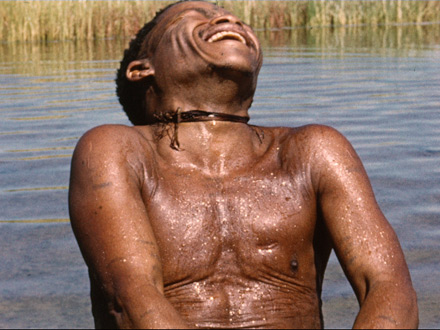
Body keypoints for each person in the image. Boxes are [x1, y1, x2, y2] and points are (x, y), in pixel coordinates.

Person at [69, 1, 418, 328]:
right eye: (195, 15)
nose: (228, 19)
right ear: (141, 69)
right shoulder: (115, 150)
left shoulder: (312, 151)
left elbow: (388, 288)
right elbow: (128, 297)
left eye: (233, 16)